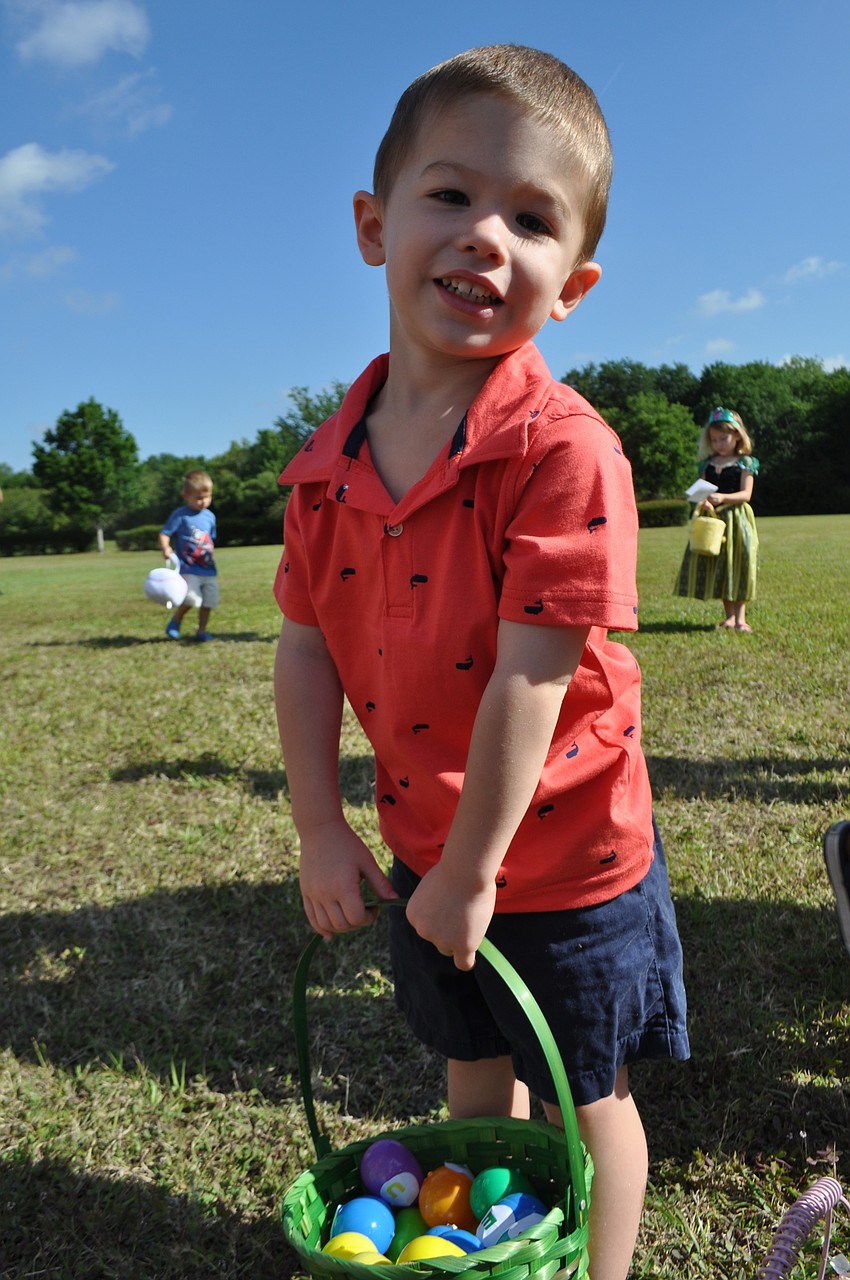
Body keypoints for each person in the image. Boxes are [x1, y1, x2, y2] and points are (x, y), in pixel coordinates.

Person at [273, 45, 689, 1280]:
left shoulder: (563, 450)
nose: (484, 237)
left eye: (532, 218)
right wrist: (317, 824)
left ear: (573, 284)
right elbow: (303, 649)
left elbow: (533, 676)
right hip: (419, 844)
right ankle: (483, 1252)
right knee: (469, 1066)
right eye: (450, 196)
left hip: (564, 854)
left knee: (580, 1092)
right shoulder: (320, 466)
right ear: (372, 225)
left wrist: (473, 867)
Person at [676, 407, 760, 632]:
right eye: (714, 440)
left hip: (736, 519)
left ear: (737, 436)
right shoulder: (708, 464)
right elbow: (701, 491)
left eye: (724, 438)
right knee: (721, 566)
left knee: (739, 564)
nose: (719, 444)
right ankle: (729, 617)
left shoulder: (745, 463)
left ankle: (741, 618)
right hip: (713, 521)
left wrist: (722, 496)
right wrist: (702, 501)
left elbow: (746, 495)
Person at [158, 469, 218, 641]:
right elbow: (165, 533)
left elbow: (210, 539)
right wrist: (165, 548)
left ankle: (201, 631)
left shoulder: (210, 517)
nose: (203, 501)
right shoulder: (180, 515)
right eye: (198, 498)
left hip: (209, 569)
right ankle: (175, 621)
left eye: (207, 497)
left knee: (208, 601)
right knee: (192, 599)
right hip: (189, 567)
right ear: (186, 496)